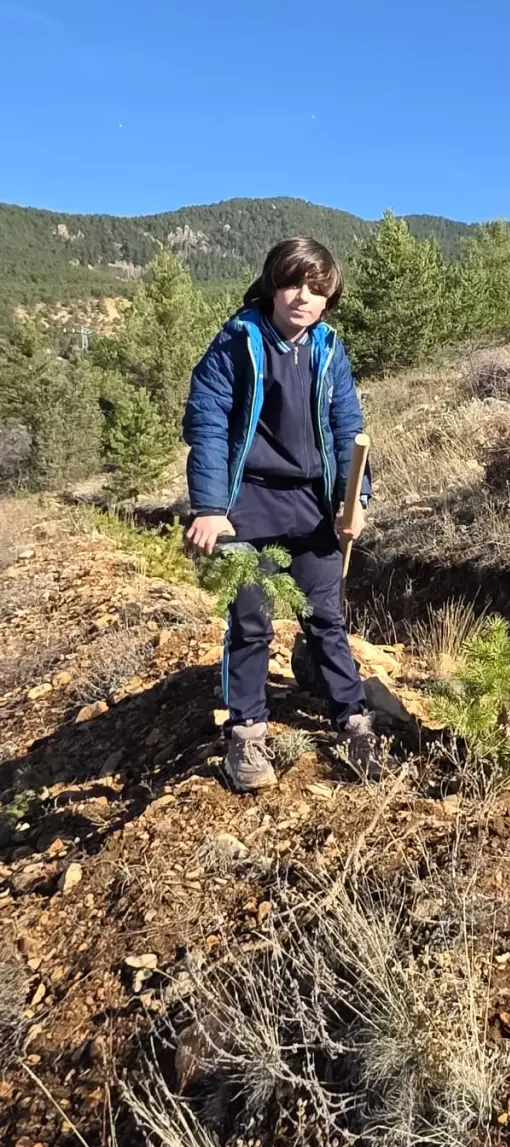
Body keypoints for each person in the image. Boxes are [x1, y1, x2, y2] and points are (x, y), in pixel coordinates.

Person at [182, 238, 379, 791]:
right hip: (246, 504)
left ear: (328, 298)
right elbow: (207, 423)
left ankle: (353, 720)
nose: (304, 297)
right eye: (294, 283)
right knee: (251, 620)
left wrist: (354, 502)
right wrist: (210, 508)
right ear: (273, 283)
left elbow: (348, 431)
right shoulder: (237, 342)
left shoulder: (328, 349)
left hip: (312, 505)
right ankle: (245, 734)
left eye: (317, 290)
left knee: (326, 617)